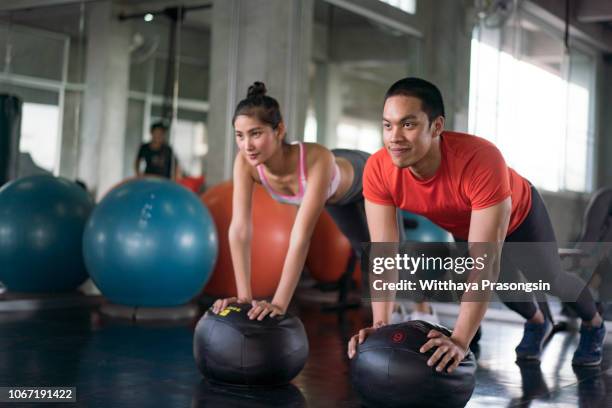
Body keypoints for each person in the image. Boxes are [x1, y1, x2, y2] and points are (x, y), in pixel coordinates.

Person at [347, 77, 606, 372]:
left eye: (408, 124)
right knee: (505, 288)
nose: (394, 137)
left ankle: (594, 324)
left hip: (521, 215)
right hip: (466, 223)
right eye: (387, 125)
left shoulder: (479, 160)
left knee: (550, 279)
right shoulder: (380, 169)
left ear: (437, 126)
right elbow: (384, 253)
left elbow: (485, 261)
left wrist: (459, 340)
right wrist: (381, 325)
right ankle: (538, 322)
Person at [211, 81, 374, 321]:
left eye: (256, 133)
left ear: (278, 130)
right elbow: (240, 229)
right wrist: (245, 299)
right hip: (336, 198)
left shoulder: (316, 159)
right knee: (367, 254)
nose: (247, 145)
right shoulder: (246, 163)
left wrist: (279, 304)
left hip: (365, 174)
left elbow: (301, 236)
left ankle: (423, 312)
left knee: (393, 254)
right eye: (240, 135)